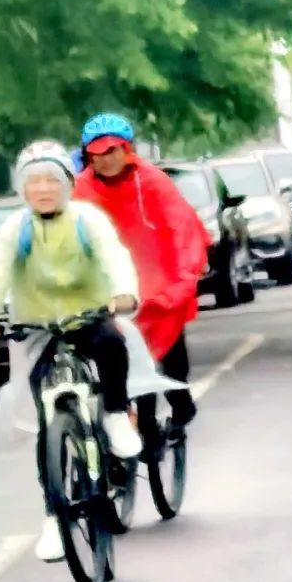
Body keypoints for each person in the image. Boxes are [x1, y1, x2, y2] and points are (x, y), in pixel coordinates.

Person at [0, 141, 141, 562]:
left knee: (111, 343)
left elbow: (114, 256)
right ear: (22, 189)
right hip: (38, 327)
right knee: (47, 418)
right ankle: (53, 516)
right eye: (33, 182)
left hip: (88, 316)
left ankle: (117, 416)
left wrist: (123, 293)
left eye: (52, 179)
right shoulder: (16, 229)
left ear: (67, 183)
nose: (43, 189)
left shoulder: (87, 220)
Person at [73, 113, 208, 442]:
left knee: (169, 341)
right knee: (120, 352)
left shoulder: (153, 181)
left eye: (113, 151)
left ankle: (181, 401)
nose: (106, 160)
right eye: (98, 153)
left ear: (128, 149)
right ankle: (135, 422)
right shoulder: (80, 189)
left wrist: (180, 281)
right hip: (110, 279)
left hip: (157, 270)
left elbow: (181, 229)